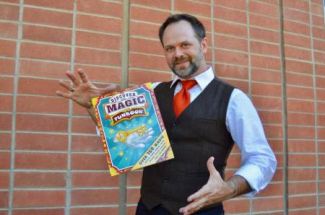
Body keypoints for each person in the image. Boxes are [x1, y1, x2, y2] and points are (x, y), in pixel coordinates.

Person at [56, 13, 277, 215]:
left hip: (202, 211)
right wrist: (93, 108)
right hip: (148, 209)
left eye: (185, 45)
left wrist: (229, 189)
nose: (177, 54)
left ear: (204, 45)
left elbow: (262, 159)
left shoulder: (233, 99)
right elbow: (124, 145)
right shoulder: (151, 92)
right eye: (169, 48)